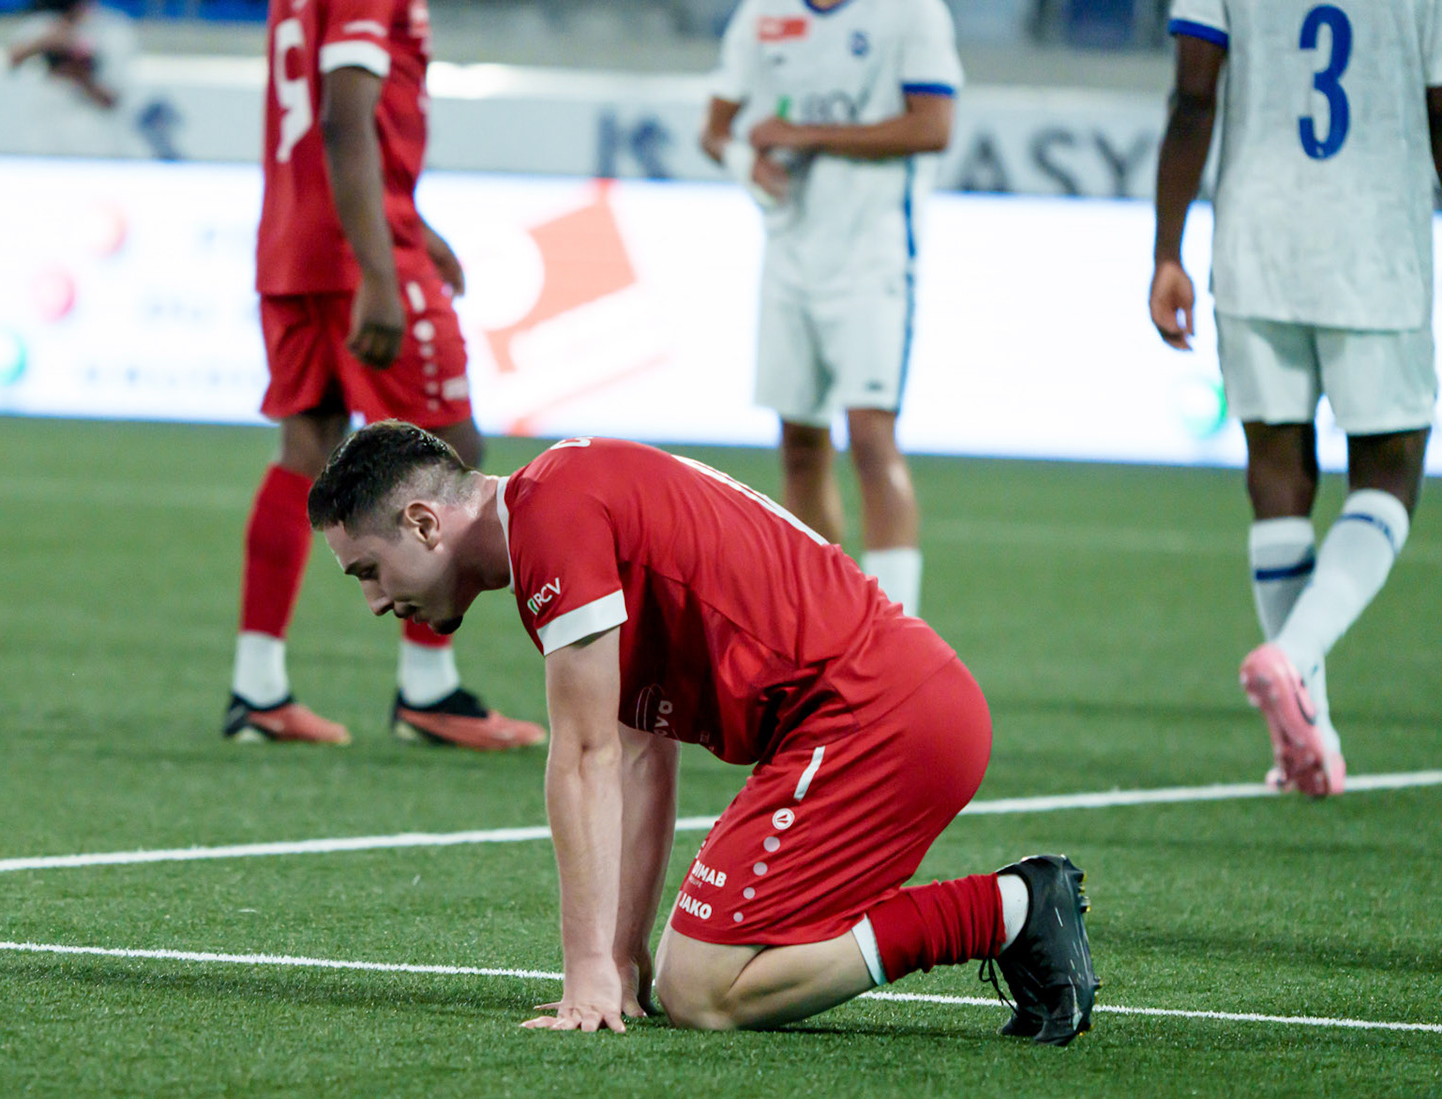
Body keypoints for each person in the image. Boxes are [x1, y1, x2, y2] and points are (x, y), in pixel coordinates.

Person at [308, 423, 1100, 1042]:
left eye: (368, 571)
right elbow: (641, 754)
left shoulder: (553, 518)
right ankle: (1011, 908)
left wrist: (584, 975)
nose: (375, 603)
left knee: (700, 989)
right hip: (883, 708)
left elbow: (584, 758)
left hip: (874, 715)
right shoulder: (557, 502)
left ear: (423, 522)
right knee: (693, 974)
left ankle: (1008, 908)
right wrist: (617, 957)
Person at [227, 0, 545, 752]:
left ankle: (257, 687)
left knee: (305, 450)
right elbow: (345, 117)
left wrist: (409, 223)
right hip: (356, 252)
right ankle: (428, 688)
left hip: (295, 241)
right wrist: (379, 267)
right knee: (450, 452)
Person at [1150, 0, 1439, 796]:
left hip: (1256, 242)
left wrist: (1167, 250)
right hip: (1376, 247)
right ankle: (1294, 656)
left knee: (1276, 474)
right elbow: (1441, 107)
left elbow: (1192, 97)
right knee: (1390, 473)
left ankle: (1310, 736)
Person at [698, 0, 963, 618]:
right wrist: (745, 163)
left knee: (870, 436)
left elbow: (932, 127)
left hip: (873, 258)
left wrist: (804, 134)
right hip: (789, 254)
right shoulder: (764, 13)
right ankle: (822, 624)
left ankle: (898, 634)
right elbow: (714, 128)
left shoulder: (913, 13)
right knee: (799, 442)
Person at [7, 0, 139, 158]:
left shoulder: (113, 29)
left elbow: (112, 99)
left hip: (92, 139)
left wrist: (79, 69)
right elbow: (12, 60)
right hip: (42, 134)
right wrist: (47, 43)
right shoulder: (43, 23)